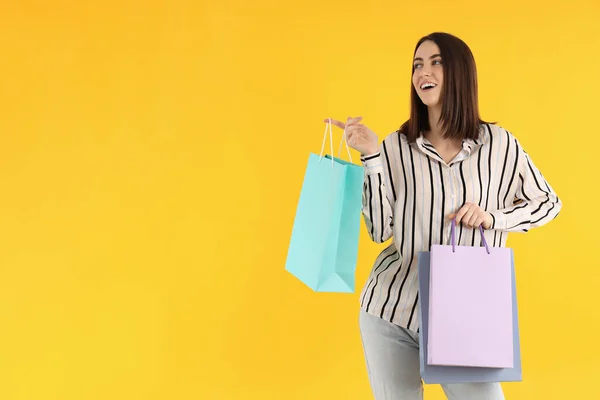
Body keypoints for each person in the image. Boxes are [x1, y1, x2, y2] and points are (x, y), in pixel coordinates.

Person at [325, 32, 562, 400]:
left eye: (436, 62)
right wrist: (370, 156)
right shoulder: (395, 147)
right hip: (392, 311)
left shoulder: (498, 144)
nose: (423, 72)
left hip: (464, 319)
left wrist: (493, 218)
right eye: (417, 65)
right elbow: (378, 231)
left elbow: (548, 202)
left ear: (460, 73)